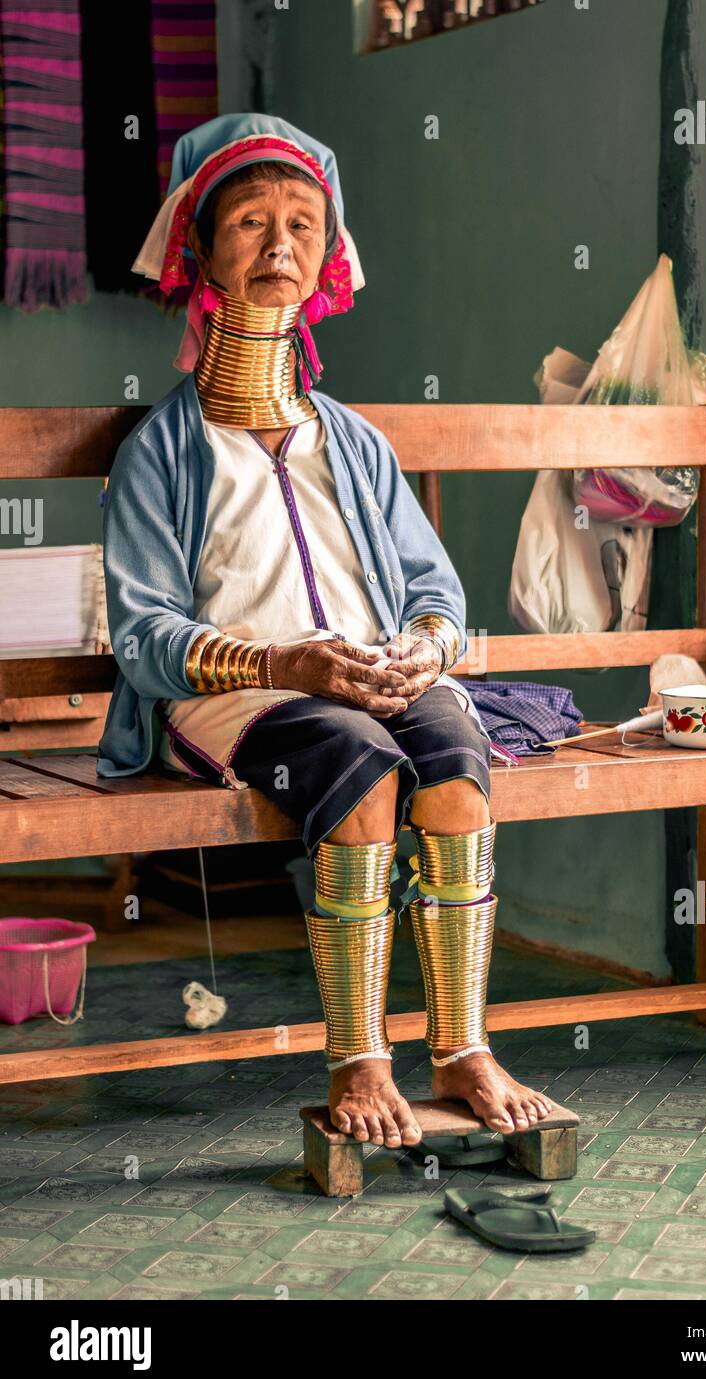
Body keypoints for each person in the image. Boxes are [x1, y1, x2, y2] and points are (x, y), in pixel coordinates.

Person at [98, 113, 551, 1149]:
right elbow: (142, 637)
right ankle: (357, 1058)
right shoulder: (162, 451)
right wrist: (286, 661)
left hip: (366, 677)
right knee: (358, 762)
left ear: (325, 256)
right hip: (236, 695)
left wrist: (423, 651)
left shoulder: (349, 440)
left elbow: (434, 588)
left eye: (301, 223)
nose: (279, 246)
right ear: (201, 255)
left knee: (453, 760)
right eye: (250, 223)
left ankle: (463, 1049)